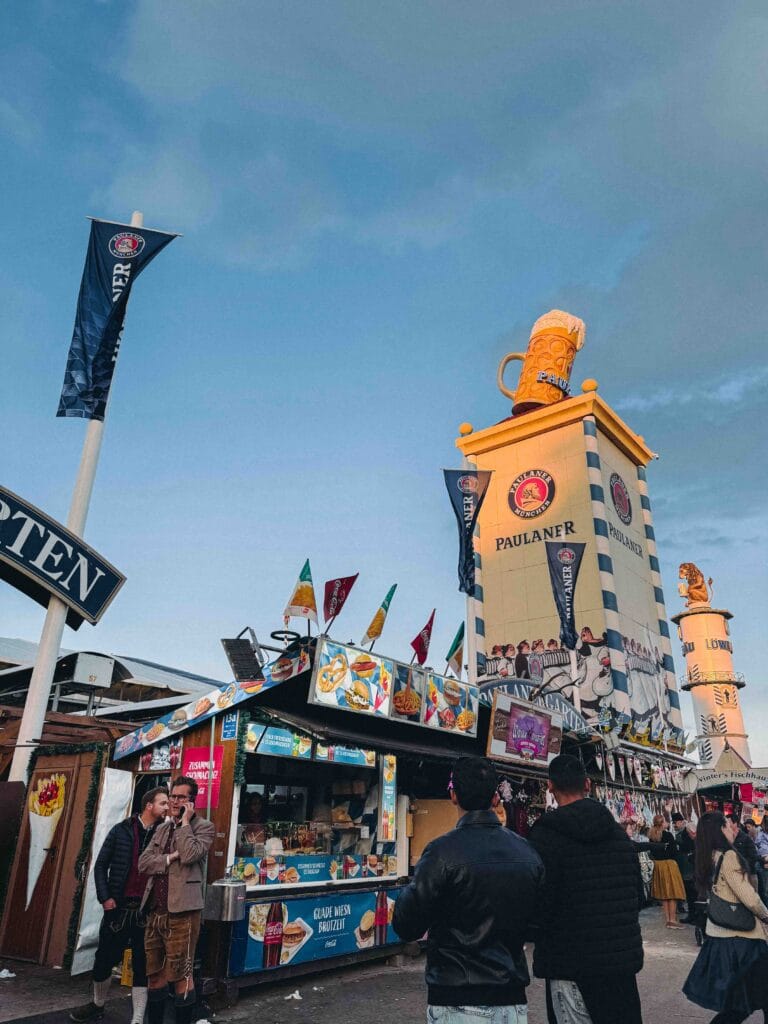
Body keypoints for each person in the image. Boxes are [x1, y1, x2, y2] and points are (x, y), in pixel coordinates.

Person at [393, 756, 544, 1024]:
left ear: (453, 795)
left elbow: (407, 925)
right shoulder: (527, 853)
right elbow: (538, 923)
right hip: (511, 1002)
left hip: (456, 999)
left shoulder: (440, 853)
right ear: (496, 798)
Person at [528, 755, 643, 1024]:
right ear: (588, 784)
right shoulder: (620, 838)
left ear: (550, 786)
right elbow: (636, 896)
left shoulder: (544, 836)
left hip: (567, 964)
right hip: (618, 967)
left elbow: (539, 904)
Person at [69, 787, 169, 1024]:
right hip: (118, 907)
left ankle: (136, 1019)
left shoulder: (163, 834)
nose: (167, 807)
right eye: (163, 803)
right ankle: (97, 1004)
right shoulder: (121, 830)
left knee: (142, 964)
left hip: (145, 910)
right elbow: (101, 864)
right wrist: (106, 898)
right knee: (104, 958)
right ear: (149, 805)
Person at [138, 776, 215, 1024]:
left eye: (181, 797)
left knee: (182, 974)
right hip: (156, 910)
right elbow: (144, 863)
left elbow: (191, 854)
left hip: (183, 912)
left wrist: (183, 824)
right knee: (155, 974)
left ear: (192, 801)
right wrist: (170, 858)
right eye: (172, 796)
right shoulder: (161, 828)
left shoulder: (204, 827)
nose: (174, 801)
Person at [683, 811, 768, 1023]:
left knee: (741, 1002)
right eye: (729, 825)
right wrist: (766, 915)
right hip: (743, 940)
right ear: (720, 830)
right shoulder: (729, 857)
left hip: (721, 938)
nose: (733, 829)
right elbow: (749, 898)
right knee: (742, 1004)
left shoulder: (707, 857)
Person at [648, 814, 686, 928]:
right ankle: (673, 920)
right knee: (673, 893)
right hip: (669, 865)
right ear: (662, 823)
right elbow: (674, 851)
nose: (668, 823)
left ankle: (668, 919)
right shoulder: (668, 835)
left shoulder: (651, 836)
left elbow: (652, 852)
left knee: (664, 894)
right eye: (665, 821)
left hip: (658, 866)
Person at [671, 811, 697, 923]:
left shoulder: (687, 831)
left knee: (693, 893)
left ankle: (694, 916)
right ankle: (692, 915)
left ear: (681, 822)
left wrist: (677, 843)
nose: (674, 825)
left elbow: (688, 847)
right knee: (690, 893)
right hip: (686, 867)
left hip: (690, 868)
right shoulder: (681, 832)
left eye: (676, 822)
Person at [745, 820, 768, 901]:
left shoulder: (761, 835)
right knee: (761, 890)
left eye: (749, 827)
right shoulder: (754, 835)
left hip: (764, 864)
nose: (748, 829)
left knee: (764, 890)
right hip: (757, 864)